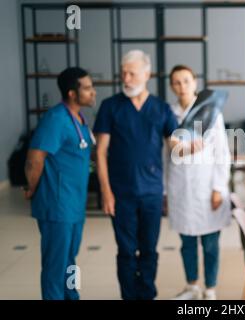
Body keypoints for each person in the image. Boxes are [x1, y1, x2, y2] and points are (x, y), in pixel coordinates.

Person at [94, 50, 201, 300]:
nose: (126, 78)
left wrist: (188, 149)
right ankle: (130, 296)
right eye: (124, 73)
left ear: (146, 74)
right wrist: (106, 192)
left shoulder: (161, 108)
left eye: (132, 73)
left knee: (149, 250)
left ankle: (147, 294)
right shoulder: (111, 107)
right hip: (121, 193)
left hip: (151, 192)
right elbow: (100, 153)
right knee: (127, 251)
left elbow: (174, 144)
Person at [24, 67, 96, 300]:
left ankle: (71, 296)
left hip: (74, 204)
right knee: (56, 264)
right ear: (72, 93)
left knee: (70, 259)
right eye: (87, 88)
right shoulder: (56, 118)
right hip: (57, 204)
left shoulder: (80, 119)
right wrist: (32, 187)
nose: (93, 92)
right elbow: (35, 158)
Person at [166, 65, 231, 300]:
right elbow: (165, 155)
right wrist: (165, 191)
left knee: (211, 243)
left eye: (186, 80)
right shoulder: (169, 114)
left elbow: (222, 153)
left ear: (194, 82)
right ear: (172, 86)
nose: (182, 86)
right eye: (176, 82)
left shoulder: (210, 111)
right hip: (180, 188)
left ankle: (210, 288)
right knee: (187, 242)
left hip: (207, 186)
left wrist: (219, 188)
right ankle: (192, 286)